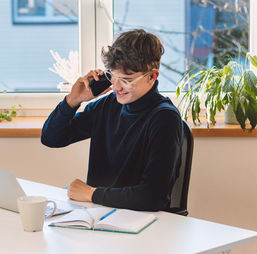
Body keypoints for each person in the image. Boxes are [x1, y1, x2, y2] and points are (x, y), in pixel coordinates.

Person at [41, 29, 183, 211]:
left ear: (151, 76)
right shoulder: (108, 105)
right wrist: (73, 100)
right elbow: (51, 138)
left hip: (136, 220)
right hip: (98, 212)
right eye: (112, 77)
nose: (116, 87)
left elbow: (153, 197)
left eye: (125, 80)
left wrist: (91, 193)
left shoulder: (164, 118)